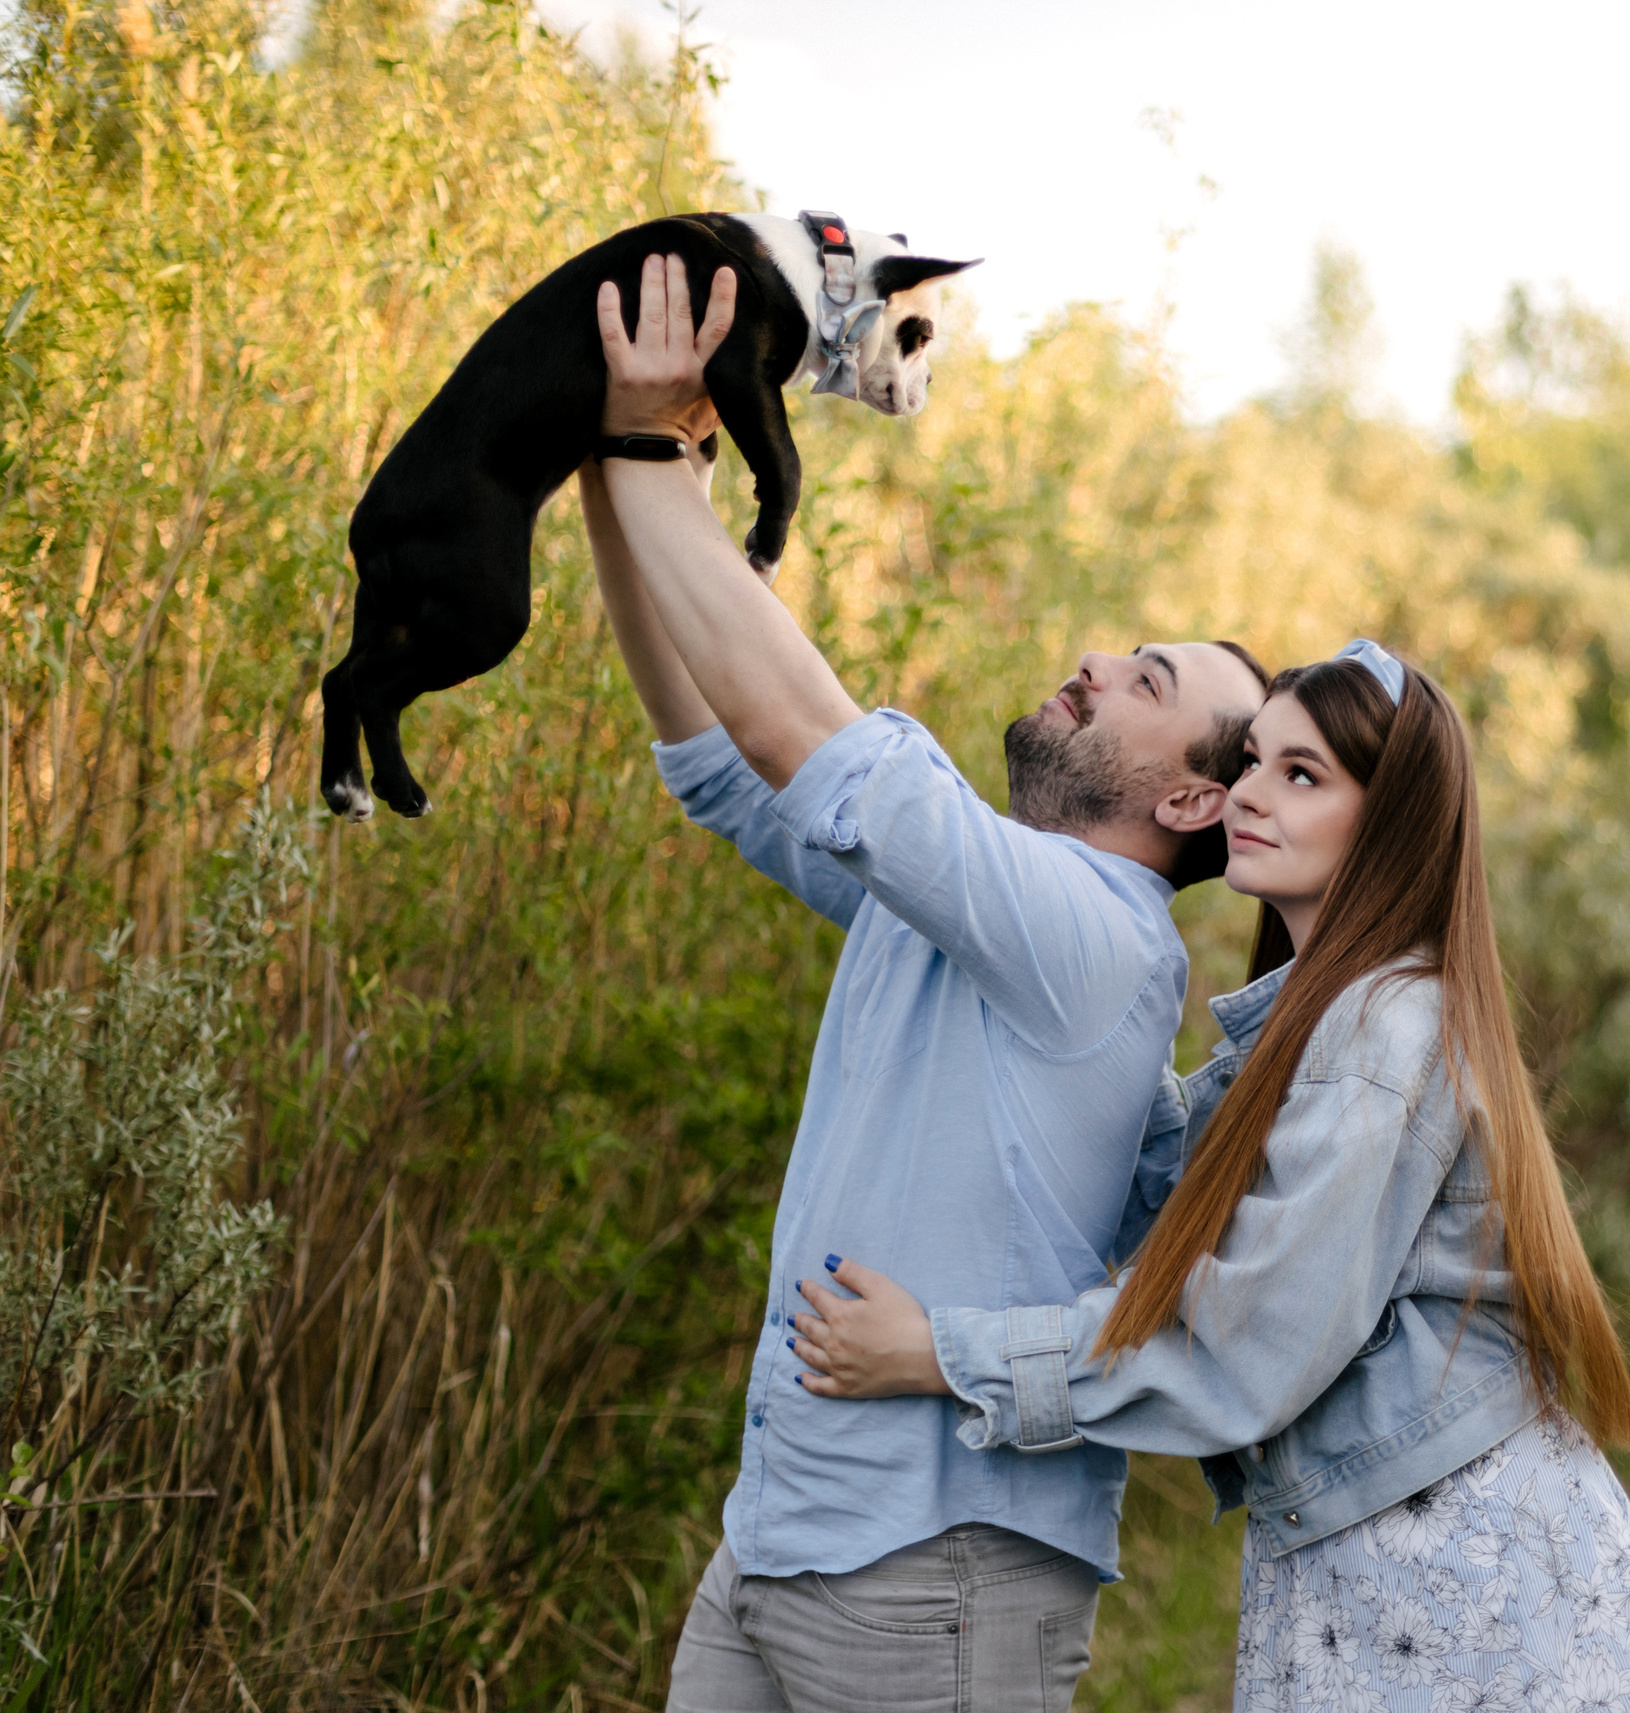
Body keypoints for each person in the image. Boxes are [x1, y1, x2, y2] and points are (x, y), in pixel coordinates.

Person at [582, 252, 1272, 1713]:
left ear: (1198, 806)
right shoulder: (967, 897)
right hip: (777, 1534)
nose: (1095, 662)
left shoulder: (1099, 938)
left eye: (1148, 682)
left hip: (941, 1571)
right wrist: (620, 474)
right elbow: (719, 754)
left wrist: (656, 453)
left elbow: (795, 724)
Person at [790, 644, 1630, 1713]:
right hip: (1367, 1555)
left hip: (1452, 1575)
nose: (1248, 795)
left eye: (1302, 775)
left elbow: (1238, 1348)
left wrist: (946, 1356)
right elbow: (1152, 1190)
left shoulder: (1383, 1032)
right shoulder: (1301, 1032)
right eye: (1254, 762)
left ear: (1391, 823)